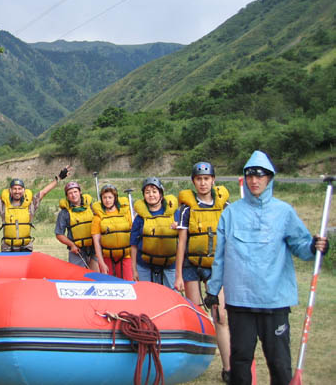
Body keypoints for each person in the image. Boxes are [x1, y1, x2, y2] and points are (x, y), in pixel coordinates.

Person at [206, 150, 329, 385]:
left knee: (280, 363)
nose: (254, 181)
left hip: (275, 301)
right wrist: (213, 290)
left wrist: (314, 247)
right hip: (240, 301)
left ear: (269, 178)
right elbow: (220, 257)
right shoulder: (230, 214)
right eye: (250, 176)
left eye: (260, 176)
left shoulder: (284, 212)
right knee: (240, 361)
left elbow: (301, 246)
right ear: (245, 178)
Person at [174, 162, 231, 383]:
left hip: (215, 266)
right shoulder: (186, 209)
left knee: (221, 315)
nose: (203, 182)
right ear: (193, 182)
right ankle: (197, 361)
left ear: (214, 180)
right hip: (190, 265)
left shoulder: (225, 206)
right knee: (196, 313)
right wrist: (178, 274)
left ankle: (228, 367)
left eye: (207, 178)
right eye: (199, 179)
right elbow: (181, 242)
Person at [0, 164, 70, 252]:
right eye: (14, 189)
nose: (17, 191)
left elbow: (44, 192)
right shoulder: (3, 206)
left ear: (23, 190)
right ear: (10, 190)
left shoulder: (30, 205)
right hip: (8, 247)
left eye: (19, 188)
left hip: (26, 247)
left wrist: (59, 178)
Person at [131, 177, 179, 289]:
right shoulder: (140, 218)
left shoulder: (175, 214)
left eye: (154, 191)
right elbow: (133, 245)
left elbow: (184, 240)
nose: (151, 195)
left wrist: (179, 227)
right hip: (144, 265)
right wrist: (134, 270)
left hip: (170, 264)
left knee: (171, 297)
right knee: (147, 298)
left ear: (161, 194)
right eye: (147, 192)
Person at [91, 184, 133, 279]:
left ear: (115, 198)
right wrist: (101, 263)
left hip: (125, 257)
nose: (107, 200)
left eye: (110, 197)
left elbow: (133, 236)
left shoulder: (126, 214)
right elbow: (96, 242)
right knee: (108, 285)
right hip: (107, 258)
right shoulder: (98, 218)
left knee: (128, 285)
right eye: (104, 197)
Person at [54, 181, 98, 270]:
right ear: (67, 196)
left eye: (75, 192)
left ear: (80, 192)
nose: (73, 195)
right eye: (70, 193)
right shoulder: (64, 213)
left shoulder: (92, 207)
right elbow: (59, 234)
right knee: (78, 278)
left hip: (94, 248)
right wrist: (72, 245)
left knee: (97, 277)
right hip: (77, 250)